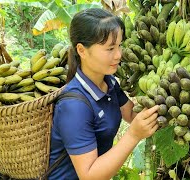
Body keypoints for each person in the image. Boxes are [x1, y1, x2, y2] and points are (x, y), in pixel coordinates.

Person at [48, 8, 159, 180]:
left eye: (119, 45)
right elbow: (89, 176)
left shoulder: (110, 82)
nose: (119, 55)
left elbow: (130, 113)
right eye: (110, 49)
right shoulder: (74, 106)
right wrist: (133, 135)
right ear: (82, 50)